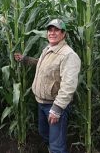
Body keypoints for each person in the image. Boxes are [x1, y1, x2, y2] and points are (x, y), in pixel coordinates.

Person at [14, 19, 81, 153]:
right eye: (50, 30)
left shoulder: (68, 55)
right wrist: (25, 59)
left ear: (64, 34)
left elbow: (69, 86)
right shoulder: (49, 49)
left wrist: (57, 108)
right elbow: (43, 64)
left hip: (54, 106)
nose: (52, 33)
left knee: (57, 145)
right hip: (42, 103)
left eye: (56, 30)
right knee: (44, 133)